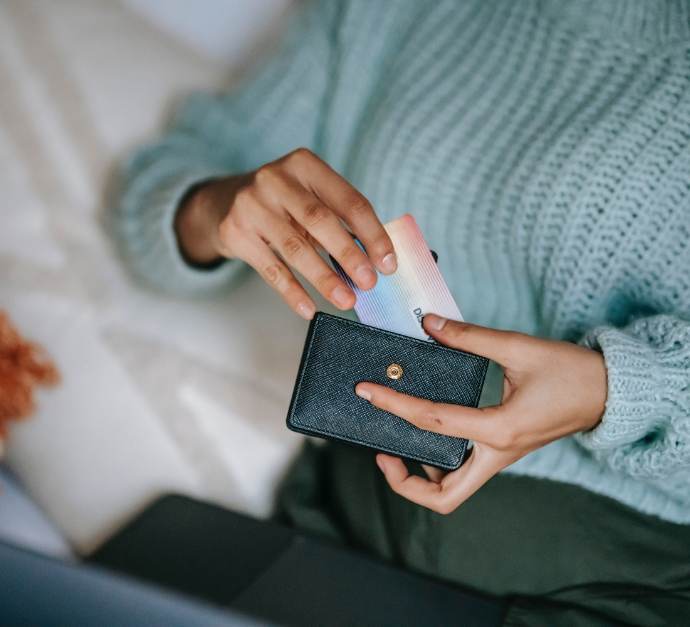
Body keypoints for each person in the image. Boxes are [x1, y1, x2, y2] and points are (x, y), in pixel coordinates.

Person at [110, 1, 690, 624]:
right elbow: (162, 185)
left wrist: (617, 390)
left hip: (619, 583)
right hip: (341, 532)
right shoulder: (384, 10)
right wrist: (220, 208)